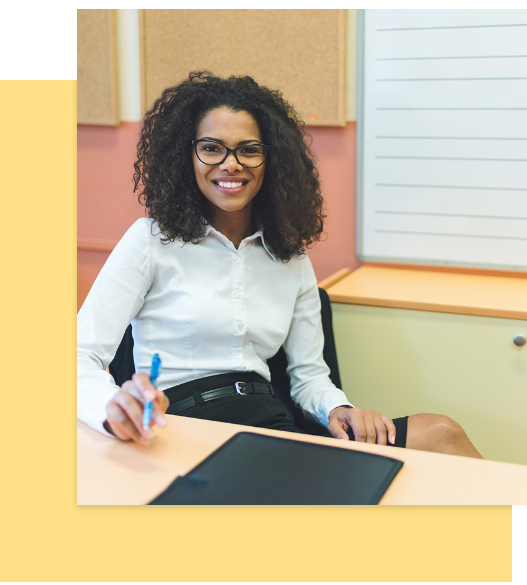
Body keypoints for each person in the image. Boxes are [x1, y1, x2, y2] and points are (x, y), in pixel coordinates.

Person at [77, 71, 482, 459]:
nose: (231, 164)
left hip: (267, 426)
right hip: (183, 428)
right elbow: (77, 356)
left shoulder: (290, 255)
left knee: (442, 434)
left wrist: (340, 410)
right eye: (212, 147)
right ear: (188, 156)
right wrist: (113, 408)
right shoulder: (150, 240)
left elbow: (309, 377)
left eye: (249, 149)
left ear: (272, 161)